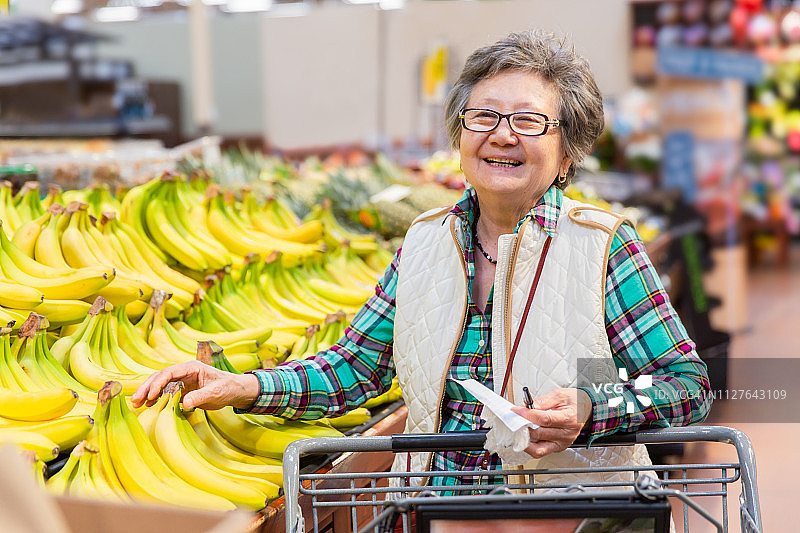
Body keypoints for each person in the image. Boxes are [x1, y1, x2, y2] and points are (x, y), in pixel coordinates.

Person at [133, 29, 711, 489]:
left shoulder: (601, 244)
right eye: (483, 116)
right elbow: (356, 369)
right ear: (459, 139)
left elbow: (684, 385)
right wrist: (243, 386)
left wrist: (592, 402)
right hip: (433, 509)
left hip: (570, 510)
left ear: (567, 153)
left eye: (530, 121)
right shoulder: (425, 242)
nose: (502, 136)